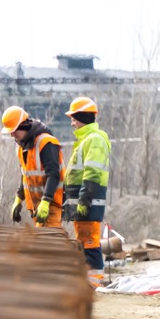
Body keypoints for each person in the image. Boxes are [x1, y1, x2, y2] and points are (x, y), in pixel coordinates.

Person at [63, 96, 112, 287]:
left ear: (82, 117)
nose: (72, 123)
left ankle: (94, 284)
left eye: (74, 118)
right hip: (83, 202)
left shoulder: (95, 140)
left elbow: (93, 171)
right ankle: (88, 283)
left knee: (90, 243)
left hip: (89, 201)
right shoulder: (86, 140)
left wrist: (84, 198)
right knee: (84, 242)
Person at [0, 106, 64, 228]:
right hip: (37, 207)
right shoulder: (22, 147)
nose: (12, 135)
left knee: (52, 242)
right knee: (41, 244)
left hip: (51, 205)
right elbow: (25, 175)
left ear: (23, 126)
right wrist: (19, 199)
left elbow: (54, 174)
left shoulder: (46, 143)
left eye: (13, 130)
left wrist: (46, 201)